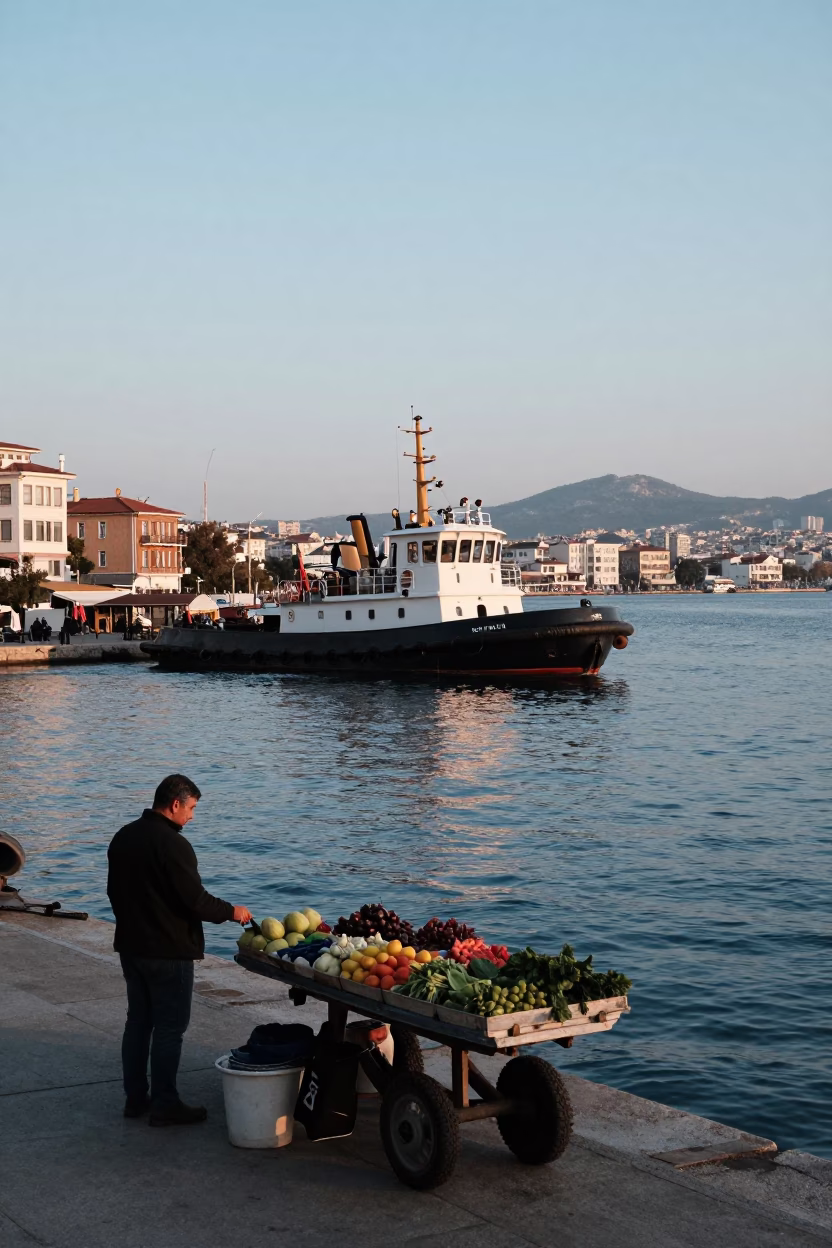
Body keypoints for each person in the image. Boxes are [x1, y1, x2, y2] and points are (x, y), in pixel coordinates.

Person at [107, 774, 252, 1126]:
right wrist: (232, 911)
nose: (192, 816)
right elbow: (195, 901)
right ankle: (165, 1104)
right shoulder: (174, 844)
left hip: (131, 948)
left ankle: (135, 1099)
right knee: (169, 1029)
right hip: (168, 954)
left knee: (138, 1023)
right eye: (191, 808)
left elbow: (114, 893)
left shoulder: (123, 836)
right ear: (175, 804)